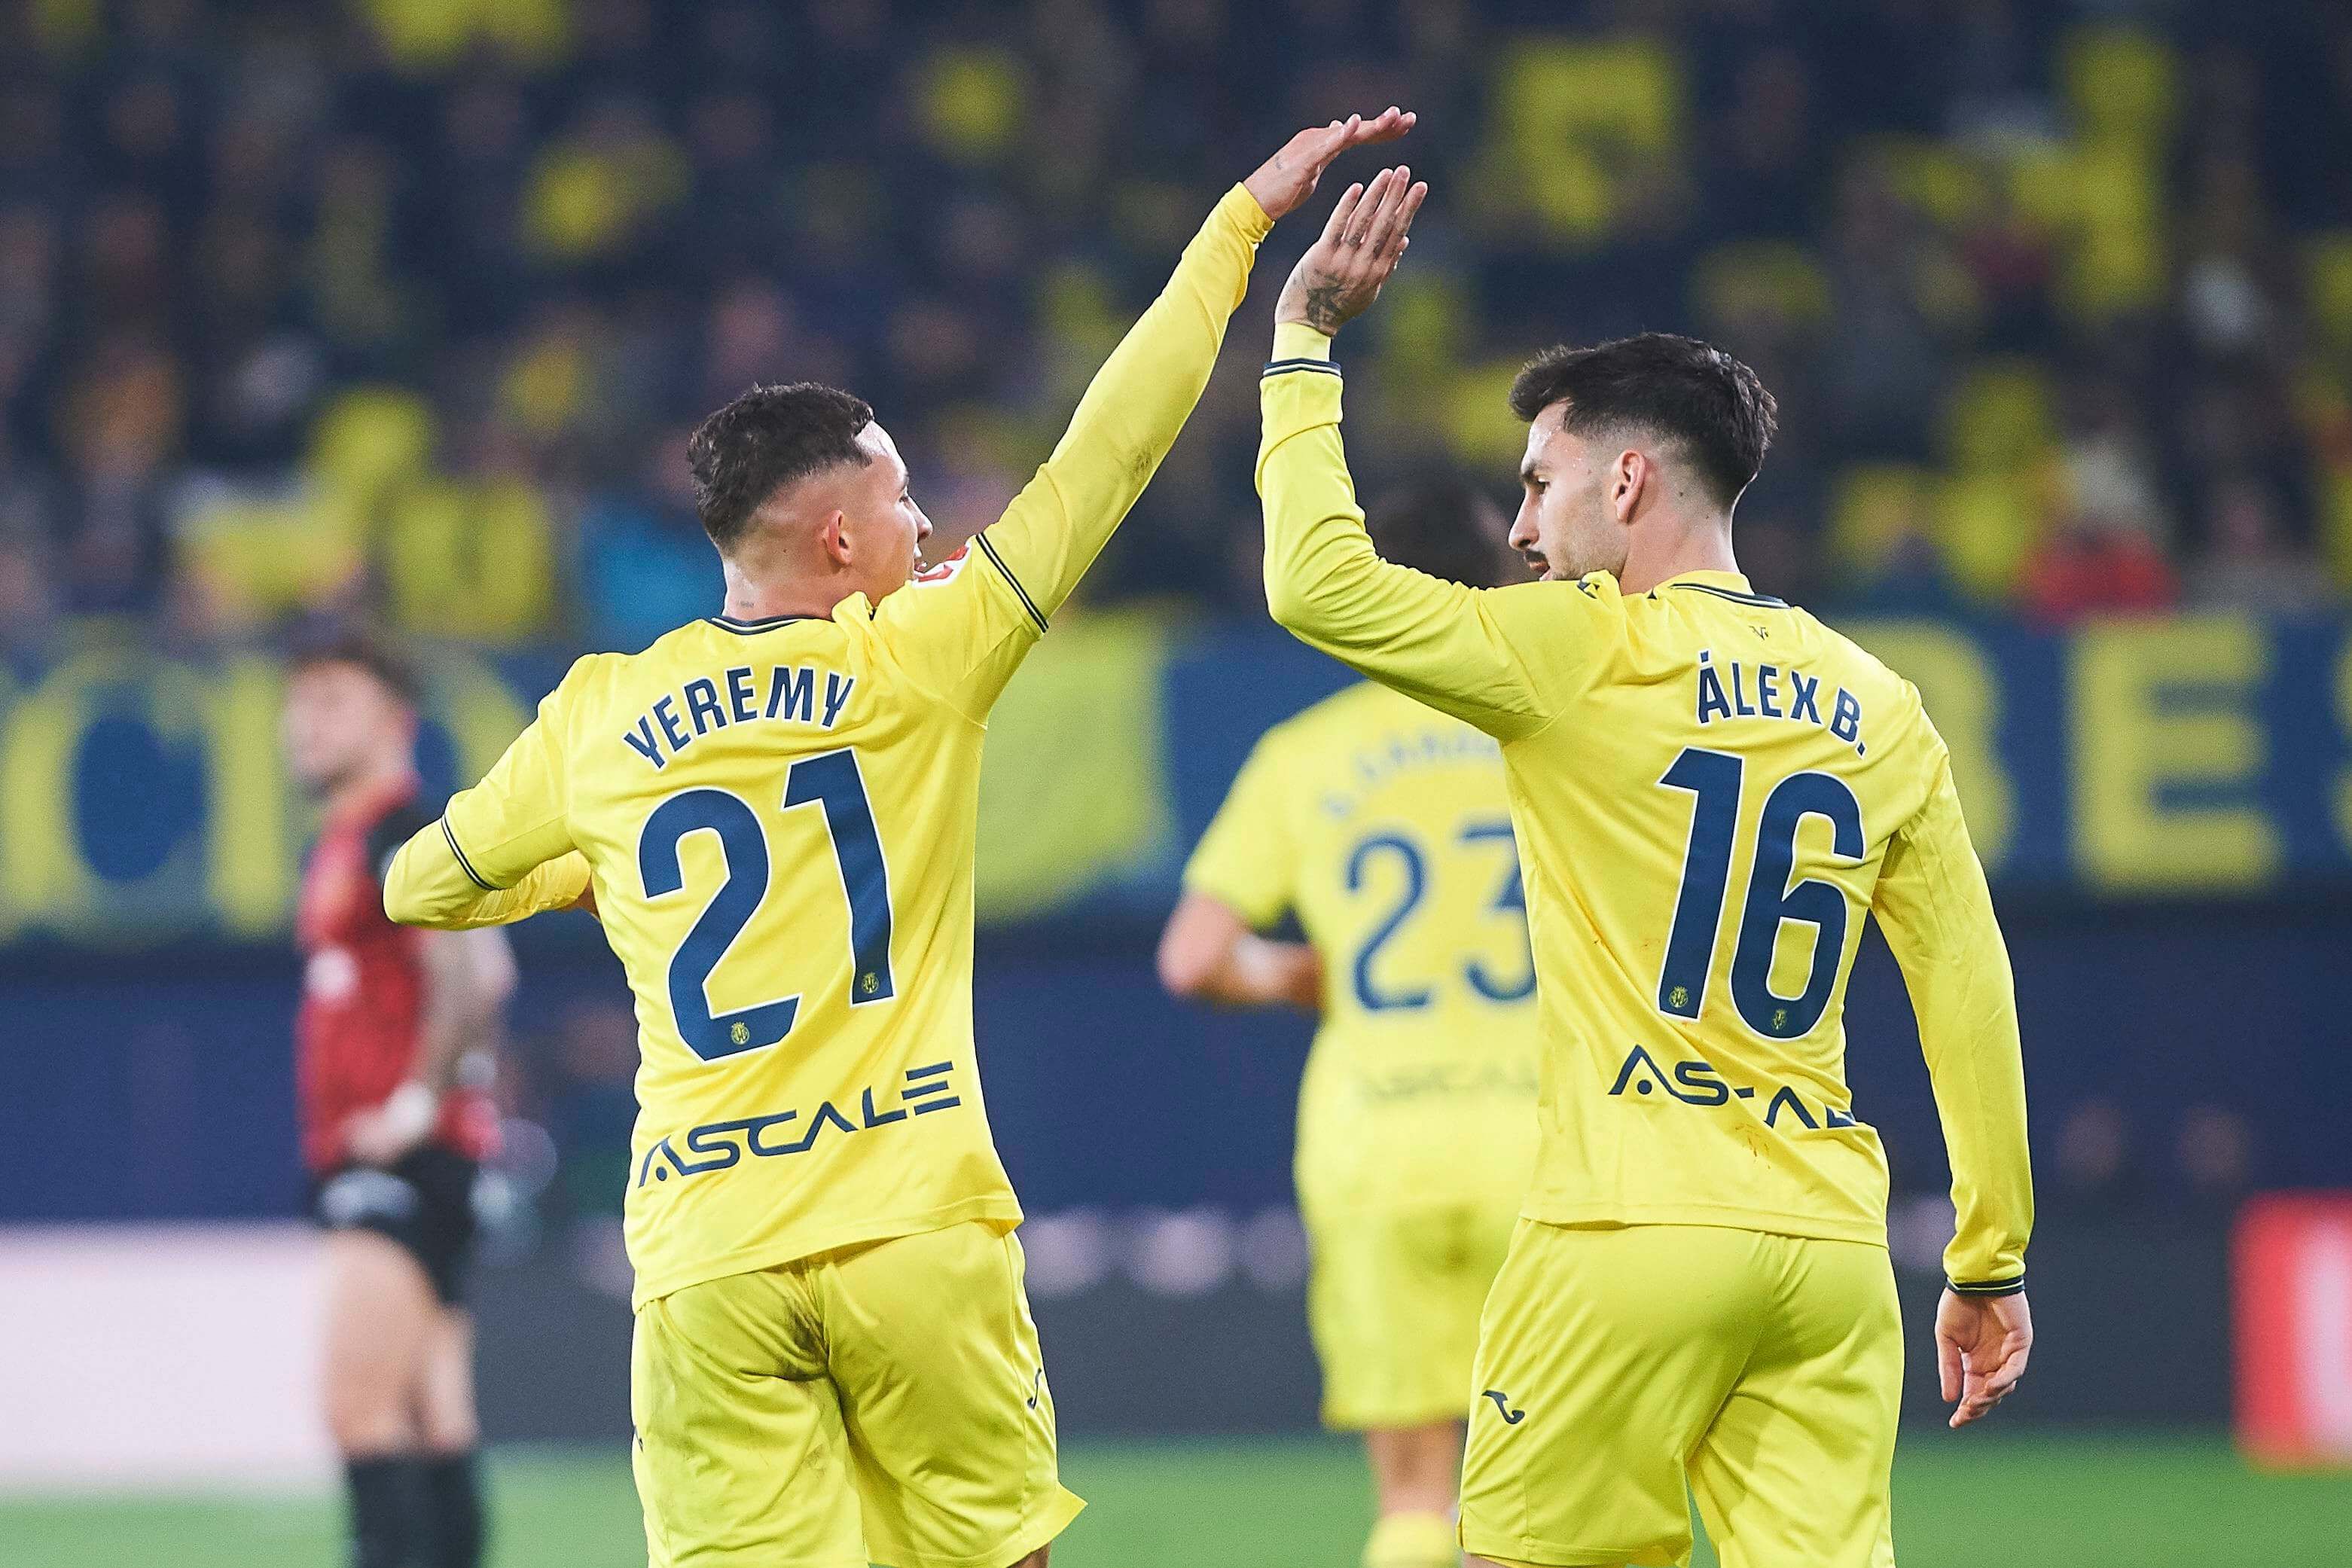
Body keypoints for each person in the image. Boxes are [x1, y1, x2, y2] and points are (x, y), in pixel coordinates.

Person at [379, 110, 1420, 1568]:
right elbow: (1106, 452)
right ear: (840, 547)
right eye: (903, 501)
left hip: (705, 1260)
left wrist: (593, 865)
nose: (932, 527)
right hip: (912, 1230)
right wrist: (1237, 230)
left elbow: (422, 884)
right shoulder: (921, 659)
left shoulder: (599, 719)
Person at [1255, 169, 2034, 1567]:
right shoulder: (1879, 701)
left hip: (1619, 1225)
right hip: (1824, 1250)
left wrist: (1303, 342)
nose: (1520, 531)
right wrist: (1987, 1256)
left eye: (1538, 485)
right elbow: (1963, 989)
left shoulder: (1571, 649)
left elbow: (1314, 582)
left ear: (1626, 478)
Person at [1159, 476, 1539, 1568]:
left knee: (1413, 1492)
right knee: (1545, 1495)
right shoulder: (1547, 732)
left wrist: (1299, 978)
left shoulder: (1307, 754)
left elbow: (1190, 957)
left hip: (1374, 1146)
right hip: (1543, 1148)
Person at [282, 631, 515, 1568]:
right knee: (433, 1412)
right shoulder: (352, 837)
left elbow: (479, 973)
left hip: (401, 1157)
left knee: (359, 1408)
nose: (303, 723)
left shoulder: (398, 832)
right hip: (420, 1155)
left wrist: (417, 1104)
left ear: (395, 723)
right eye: (299, 702)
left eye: (332, 701)